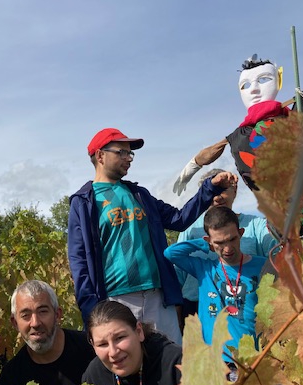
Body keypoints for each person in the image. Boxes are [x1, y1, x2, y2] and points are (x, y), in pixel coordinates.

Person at [67, 127, 238, 343]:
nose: (129, 158)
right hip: (116, 300)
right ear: (100, 155)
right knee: (126, 364)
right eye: (122, 152)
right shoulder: (83, 203)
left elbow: (179, 219)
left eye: (131, 154)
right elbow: (79, 260)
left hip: (158, 297)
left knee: (173, 363)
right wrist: (91, 311)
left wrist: (209, 188)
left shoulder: (140, 195)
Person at [173, 54, 303, 193]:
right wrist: (189, 169)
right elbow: (213, 150)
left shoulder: (298, 110)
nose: (254, 90)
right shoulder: (241, 135)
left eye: (263, 79)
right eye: (246, 85)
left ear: (279, 79)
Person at [164, 206, 267, 362]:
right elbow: (171, 253)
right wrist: (203, 244)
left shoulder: (263, 266)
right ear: (210, 242)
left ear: (241, 233)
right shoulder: (205, 269)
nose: (227, 248)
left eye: (232, 239)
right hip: (215, 362)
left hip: (255, 359)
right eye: (220, 242)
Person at [175, 167, 277, 321]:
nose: (217, 198)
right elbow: (177, 274)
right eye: (212, 192)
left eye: (223, 190)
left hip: (247, 305)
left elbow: (276, 260)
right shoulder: (191, 228)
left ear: (234, 190)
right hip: (197, 308)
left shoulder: (256, 224)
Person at [82, 300, 181, 385]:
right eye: (102, 344)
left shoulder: (175, 365)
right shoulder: (94, 376)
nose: (113, 352)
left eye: (120, 338)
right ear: (93, 345)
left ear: (139, 332)